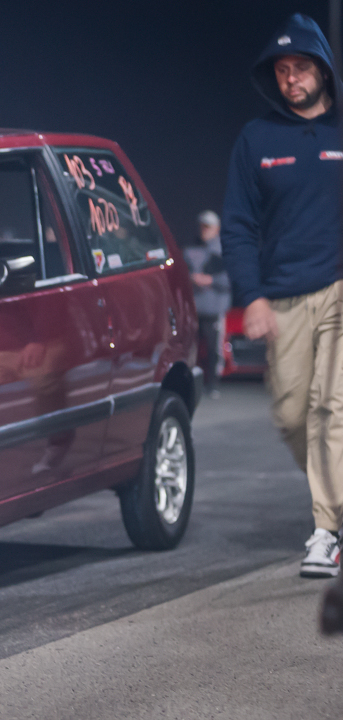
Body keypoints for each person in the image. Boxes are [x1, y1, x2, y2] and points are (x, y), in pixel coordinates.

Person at [221, 14, 343, 578]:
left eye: (301, 68)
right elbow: (238, 226)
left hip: (339, 288)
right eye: (282, 70)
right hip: (283, 295)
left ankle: (327, 531)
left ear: (324, 70)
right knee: (293, 415)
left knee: (330, 410)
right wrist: (252, 296)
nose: (291, 78)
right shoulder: (257, 138)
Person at [184, 210, 231, 399]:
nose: (204, 230)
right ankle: (191, 383)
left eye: (208, 227)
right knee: (190, 348)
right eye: (202, 226)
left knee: (213, 349)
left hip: (214, 309)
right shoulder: (190, 250)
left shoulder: (224, 250)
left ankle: (212, 384)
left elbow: (231, 280)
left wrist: (210, 280)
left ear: (216, 229)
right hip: (195, 309)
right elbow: (183, 273)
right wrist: (192, 278)